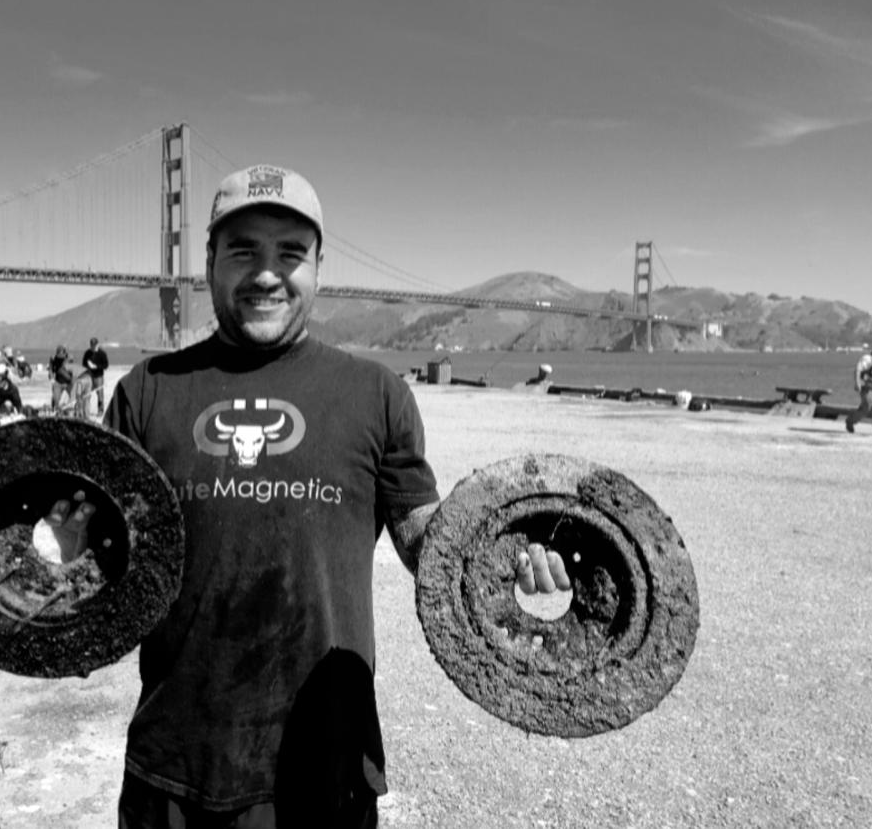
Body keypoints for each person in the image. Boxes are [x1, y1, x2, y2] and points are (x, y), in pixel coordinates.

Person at [47, 164, 570, 828]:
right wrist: (41, 556)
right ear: (208, 261)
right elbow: (101, 553)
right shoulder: (148, 390)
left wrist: (502, 551)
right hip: (176, 757)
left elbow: (421, 536)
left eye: (290, 253)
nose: (267, 273)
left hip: (328, 759)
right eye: (243, 251)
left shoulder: (375, 393)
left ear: (319, 266)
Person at [846, 340, 872, 435]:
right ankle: (850, 421)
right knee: (866, 407)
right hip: (867, 387)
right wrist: (857, 383)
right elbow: (858, 370)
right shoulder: (867, 359)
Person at [77, 337, 110, 416]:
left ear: (97, 344)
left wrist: (96, 366)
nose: (93, 347)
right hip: (89, 375)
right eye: (91, 345)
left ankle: (100, 411)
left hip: (98, 376)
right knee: (86, 393)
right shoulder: (87, 353)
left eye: (94, 345)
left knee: (100, 394)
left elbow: (106, 365)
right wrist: (88, 365)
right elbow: (83, 364)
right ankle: (85, 411)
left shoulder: (102, 353)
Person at [48, 344, 75, 412]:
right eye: (59, 356)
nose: (60, 358)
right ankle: (54, 410)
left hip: (68, 382)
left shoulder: (70, 358)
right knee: (55, 398)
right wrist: (51, 378)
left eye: (62, 356)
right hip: (58, 382)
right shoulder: (53, 358)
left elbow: (73, 370)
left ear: (65, 353)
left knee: (74, 398)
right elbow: (50, 369)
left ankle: (76, 411)